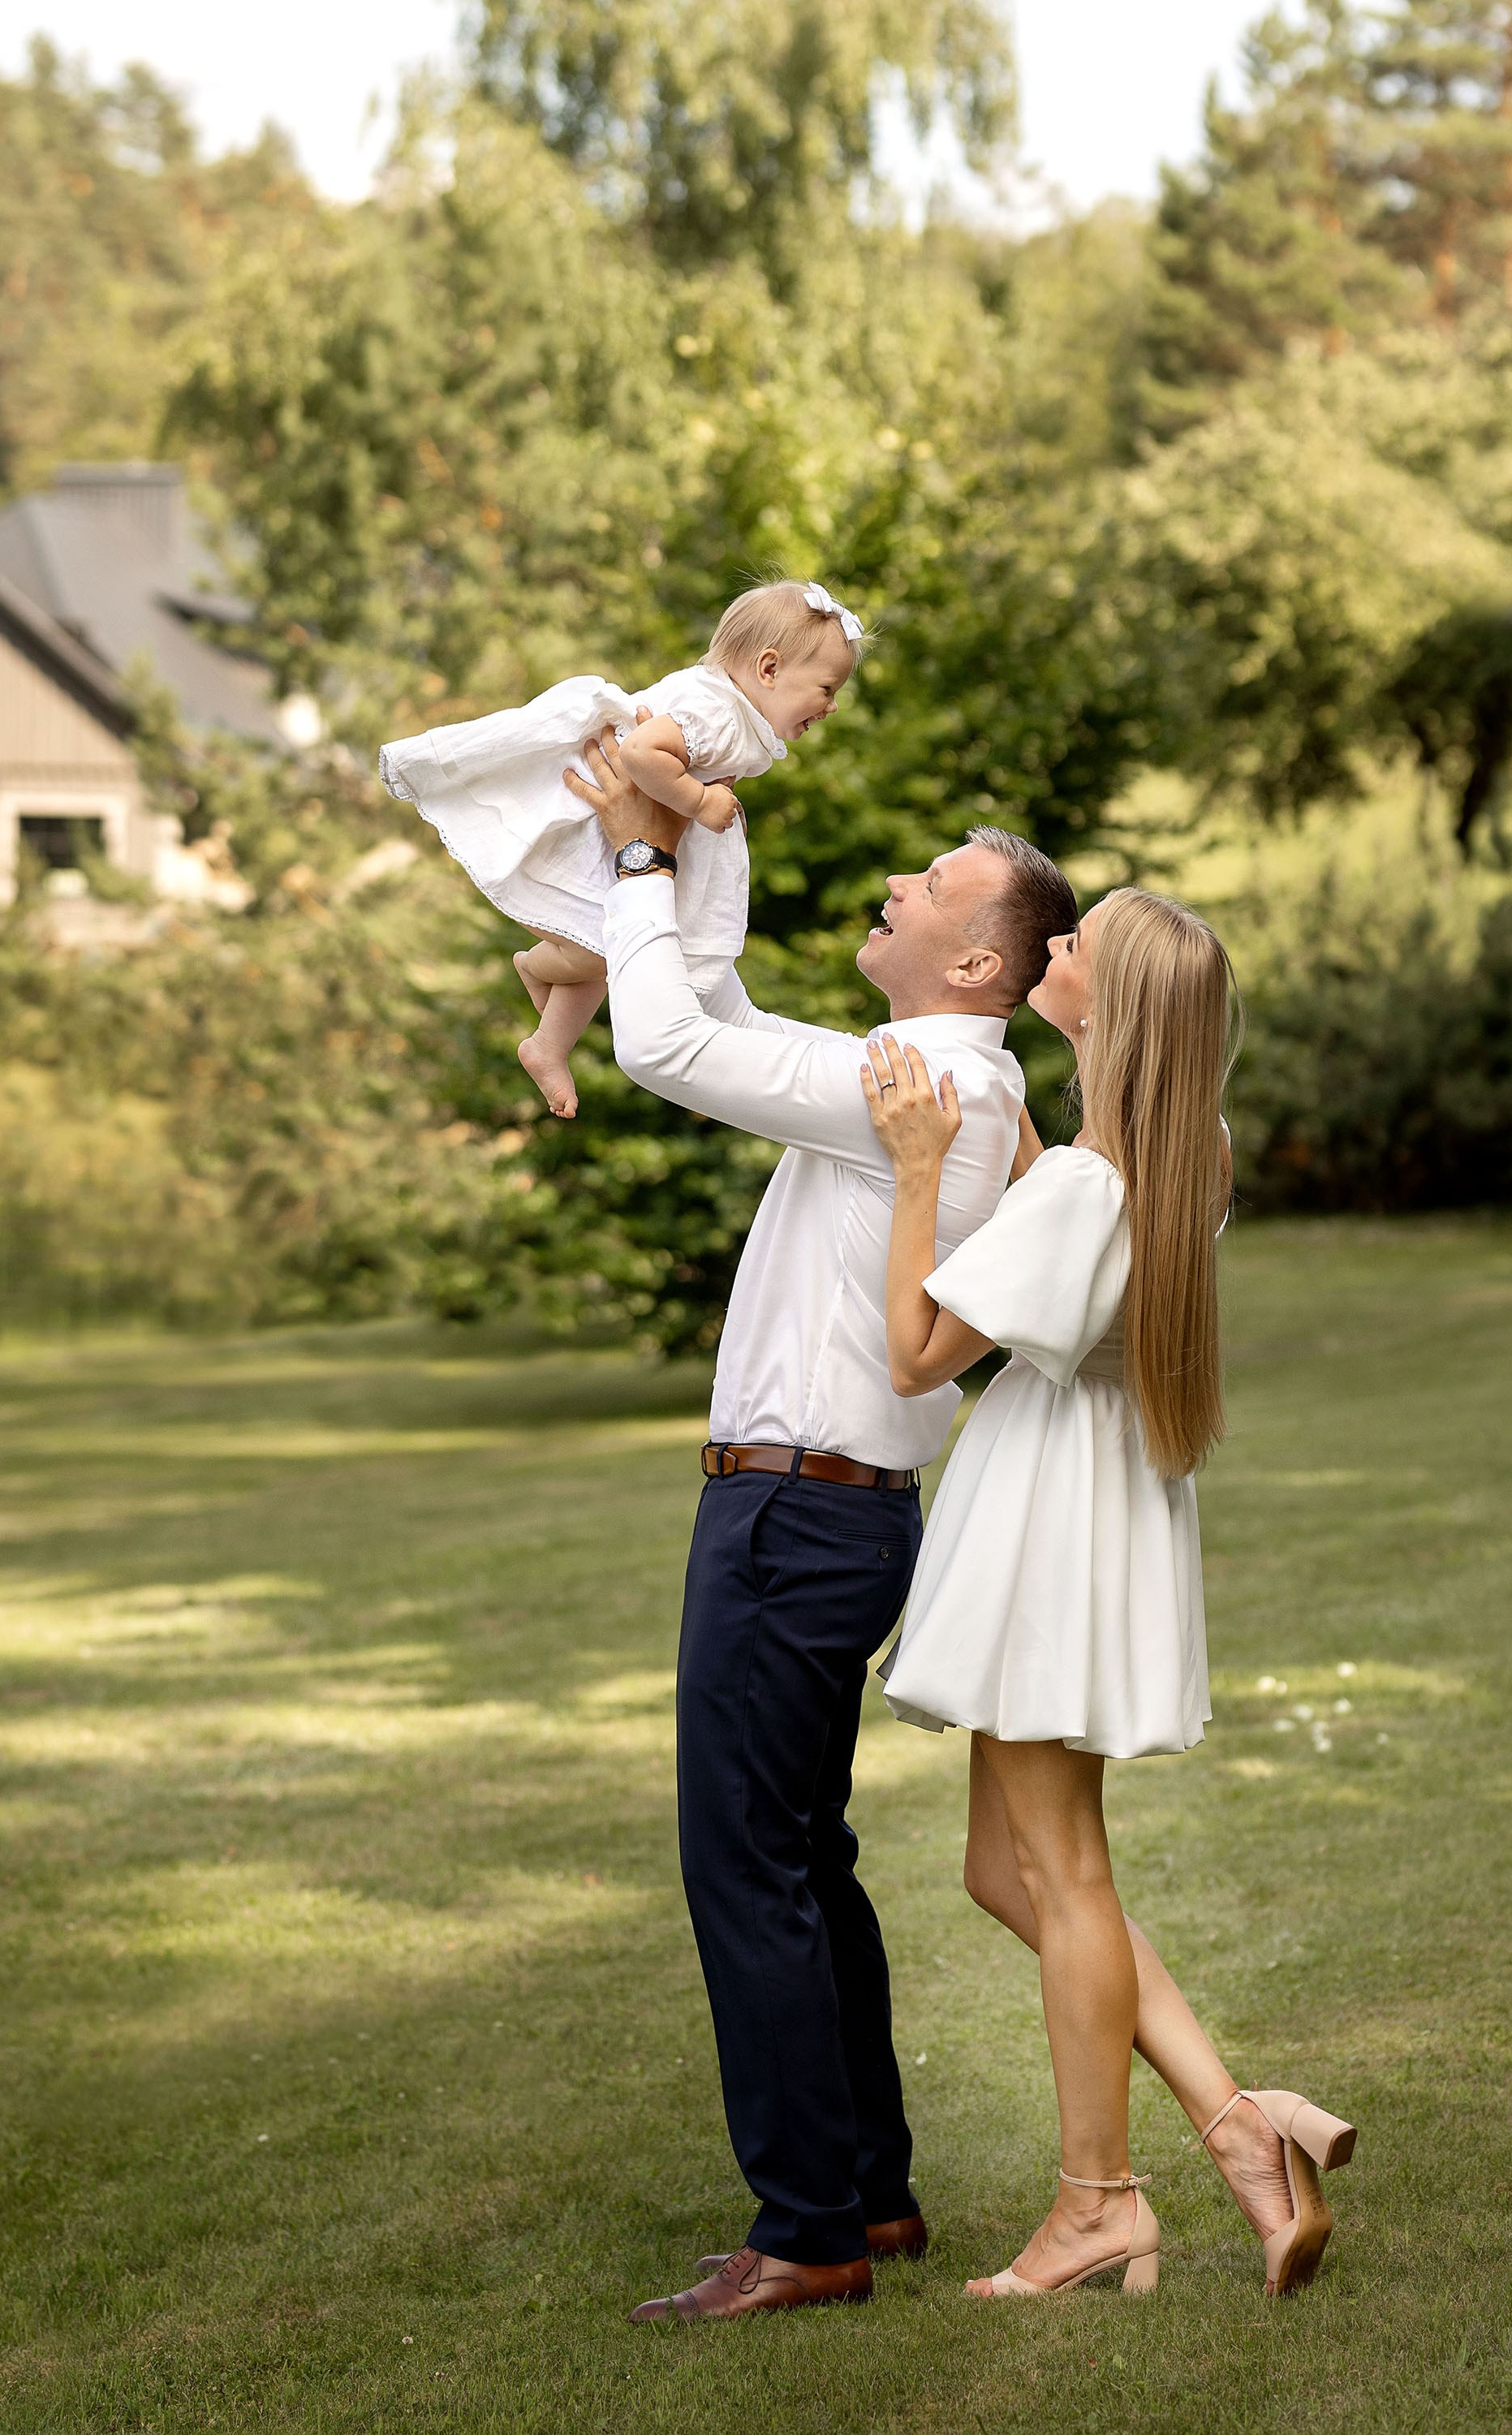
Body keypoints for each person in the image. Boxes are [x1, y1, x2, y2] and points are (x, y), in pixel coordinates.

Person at [561, 725, 1077, 2324]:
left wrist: (644, 855)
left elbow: (659, 1043)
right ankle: (868, 2192)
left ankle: (807, 2233)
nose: (897, 883)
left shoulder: (917, 1079)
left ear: (978, 957)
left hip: (794, 1517)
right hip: (819, 1514)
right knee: (803, 1854)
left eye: (929, 884)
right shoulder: (913, 1082)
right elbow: (706, 1010)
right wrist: (682, 838)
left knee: (747, 1863)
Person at [863, 887, 1358, 2301]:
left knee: (1063, 1875)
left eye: (1074, 950)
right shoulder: (1178, 1155)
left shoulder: (1094, 1187)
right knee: (1007, 1871)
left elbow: (916, 1354)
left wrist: (915, 1168)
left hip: (1040, 1528)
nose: (1053, 949)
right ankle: (1244, 2124)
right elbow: (1065, 1228)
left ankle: (1100, 2204)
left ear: (1111, 1002)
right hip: (1101, 1509)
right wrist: (1021, 1142)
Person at [379, 580, 865, 1118]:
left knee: (617, 947)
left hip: (631, 826)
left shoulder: (734, 712)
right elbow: (640, 751)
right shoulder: (718, 713)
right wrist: (700, 801)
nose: (833, 705)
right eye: (826, 689)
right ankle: (540, 968)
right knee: (611, 950)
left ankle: (548, 1045)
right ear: (769, 670)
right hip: (600, 818)